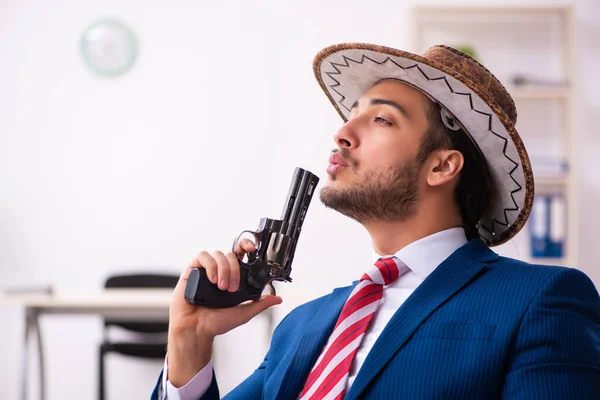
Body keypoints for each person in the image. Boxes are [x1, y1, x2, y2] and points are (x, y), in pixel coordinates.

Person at [152, 43, 600, 399]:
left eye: (381, 118)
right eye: (353, 115)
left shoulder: (541, 300)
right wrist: (188, 344)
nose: (342, 133)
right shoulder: (301, 325)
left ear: (442, 166)